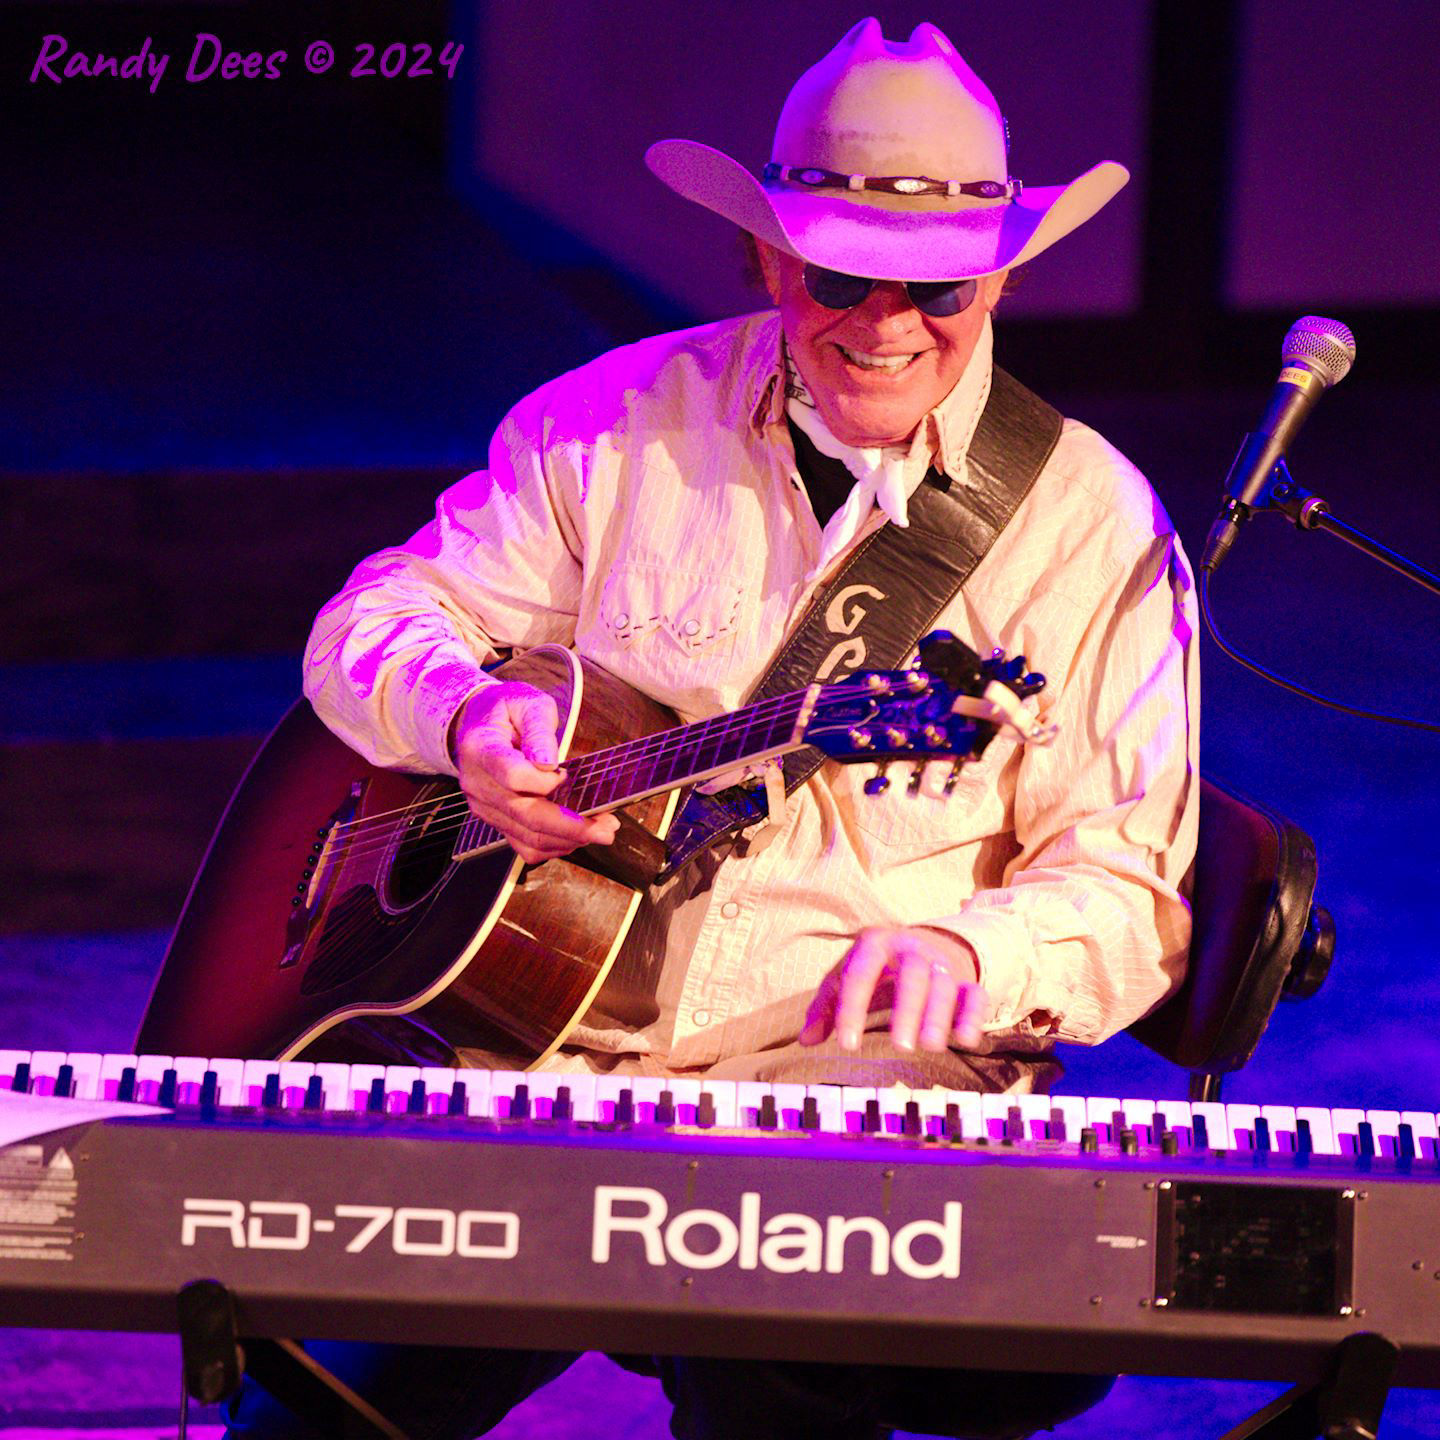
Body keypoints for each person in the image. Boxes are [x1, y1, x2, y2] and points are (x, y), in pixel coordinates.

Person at [229, 18, 1198, 1440]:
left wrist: (963, 949)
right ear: (764, 257)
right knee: (308, 1406)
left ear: (998, 274)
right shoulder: (609, 427)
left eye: (937, 288)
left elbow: (1126, 890)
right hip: (541, 1071)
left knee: (779, 1362)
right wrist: (464, 718)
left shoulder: (1091, 525)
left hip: (835, 1107)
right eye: (840, 277)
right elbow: (374, 620)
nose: (886, 323)